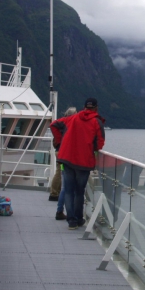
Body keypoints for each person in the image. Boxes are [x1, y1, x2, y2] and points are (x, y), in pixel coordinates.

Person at [50, 97, 105, 229]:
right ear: (96, 107)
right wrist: (92, 148)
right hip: (84, 161)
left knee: (68, 191)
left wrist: (60, 142)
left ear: (85, 107)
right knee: (79, 191)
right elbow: (100, 143)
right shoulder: (96, 121)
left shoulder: (72, 118)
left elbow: (54, 125)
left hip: (67, 159)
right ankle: (79, 218)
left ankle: (71, 221)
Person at [48, 106, 77, 208]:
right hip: (63, 153)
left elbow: (53, 125)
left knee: (59, 171)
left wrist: (59, 140)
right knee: (61, 172)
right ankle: (55, 193)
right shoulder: (68, 122)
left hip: (59, 151)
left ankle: (55, 192)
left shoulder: (61, 123)